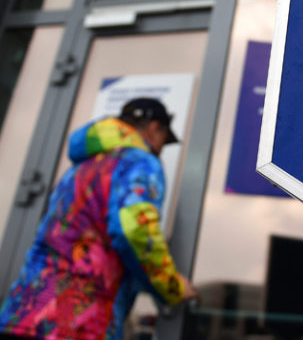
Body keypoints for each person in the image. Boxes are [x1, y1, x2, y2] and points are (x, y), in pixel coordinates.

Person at [0, 97, 198, 340]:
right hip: (79, 322)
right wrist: (173, 287)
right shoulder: (140, 162)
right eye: (163, 142)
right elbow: (136, 231)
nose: (159, 150)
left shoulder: (80, 167)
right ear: (155, 128)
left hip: (23, 313)